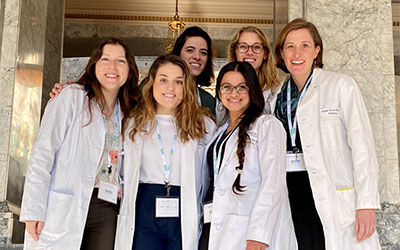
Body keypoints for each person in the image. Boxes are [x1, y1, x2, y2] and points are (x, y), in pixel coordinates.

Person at [20, 38, 139, 250]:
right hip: (66, 203)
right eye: (105, 59)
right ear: (94, 65)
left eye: (120, 61)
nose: (112, 67)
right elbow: (43, 153)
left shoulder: (129, 113)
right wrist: (33, 210)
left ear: (129, 70)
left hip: (108, 207)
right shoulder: (72, 97)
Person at [273, 18, 381, 250]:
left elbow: (362, 146)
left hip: (332, 194)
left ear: (317, 51)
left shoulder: (341, 86)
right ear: (281, 53)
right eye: (289, 46)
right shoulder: (275, 96)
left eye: (305, 45)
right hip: (291, 192)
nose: (296, 53)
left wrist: (366, 204)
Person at [114, 54, 216, 250]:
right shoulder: (133, 123)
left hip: (184, 203)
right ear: (152, 83)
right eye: (163, 80)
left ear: (186, 87)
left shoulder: (203, 125)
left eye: (178, 82)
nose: (170, 88)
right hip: (143, 205)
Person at [203, 61, 297, 250]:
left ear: (252, 90)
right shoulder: (218, 131)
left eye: (241, 87)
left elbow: (273, 183)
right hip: (217, 224)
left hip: (251, 233)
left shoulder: (267, 125)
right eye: (227, 87)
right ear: (219, 92)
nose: (234, 93)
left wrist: (258, 235)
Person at [227, 26, 280, 115]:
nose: (250, 52)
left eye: (256, 47)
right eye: (243, 46)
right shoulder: (225, 90)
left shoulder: (277, 91)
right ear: (235, 52)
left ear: (265, 54)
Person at [171, 26, 216, 116]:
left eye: (203, 52)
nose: (197, 57)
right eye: (190, 50)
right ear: (178, 54)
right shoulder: (155, 89)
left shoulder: (208, 101)